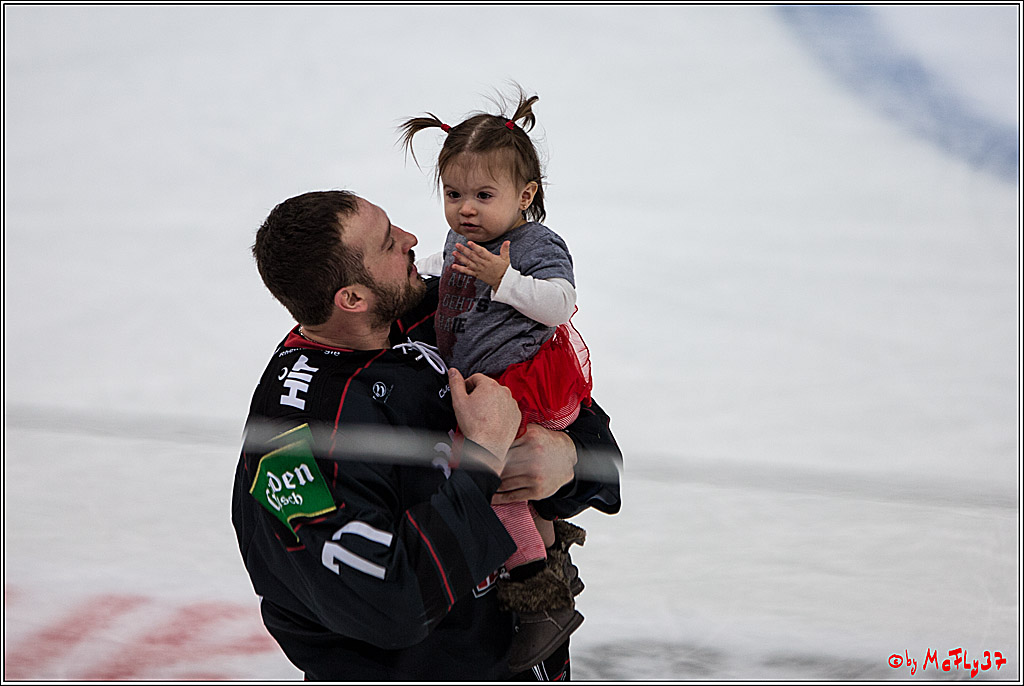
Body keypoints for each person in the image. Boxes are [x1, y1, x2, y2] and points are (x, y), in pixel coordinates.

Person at [231, 189, 621, 680]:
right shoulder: (295, 435)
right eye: (388, 243)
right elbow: (392, 604)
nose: (411, 239)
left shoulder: (444, 311)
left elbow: (598, 447)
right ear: (351, 298)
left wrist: (566, 457)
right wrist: (481, 460)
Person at [399, 87, 593, 671]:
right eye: (454, 194)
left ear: (524, 195)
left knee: (493, 474)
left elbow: (560, 303)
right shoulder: (463, 241)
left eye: (484, 195)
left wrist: (504, 278)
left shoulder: (535, 245)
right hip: (486, 376)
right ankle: (549, 555)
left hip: (528, 378)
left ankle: (539, 596)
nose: (466, 209)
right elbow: (443, 272)